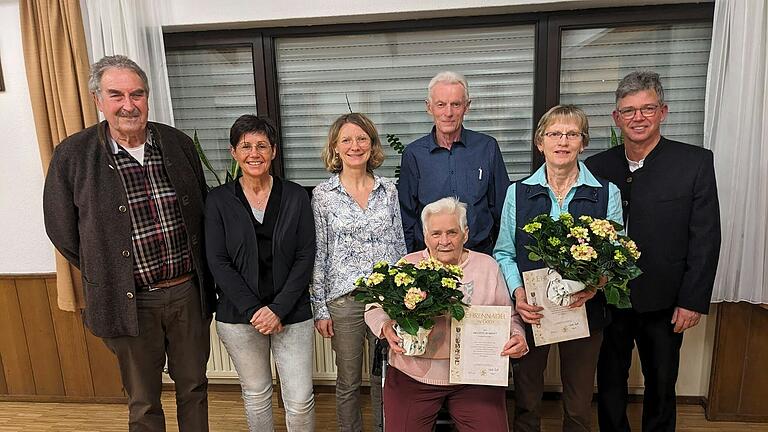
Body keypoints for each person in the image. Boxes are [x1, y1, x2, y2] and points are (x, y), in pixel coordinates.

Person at [43, 55, 214, 431]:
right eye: (116, 94)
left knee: (195, 388)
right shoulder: (73, 155)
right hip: (130, 300)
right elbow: (62, 230)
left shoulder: (178, 144)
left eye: (137, 94)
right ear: (97, 100)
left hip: (187, 294)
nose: (128, 105)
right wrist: (108, 268)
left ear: (147, 97)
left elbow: (201, 210)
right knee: (143, 401)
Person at [585, 71, 721, 432]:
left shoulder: (694, 163)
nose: (638, 118)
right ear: (616, 118)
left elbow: (706, 238)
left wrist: (693, 300)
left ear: (663, 111)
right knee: (609, 381)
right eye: (628, 111)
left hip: (664, 298)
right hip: (607, 298)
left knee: (661, 382)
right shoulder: (597, 167)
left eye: (647, 109)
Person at [494, 104, 623, 432]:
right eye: (554, 134)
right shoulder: (518, 193)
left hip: (585, 310)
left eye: (572, 134)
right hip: (532, 309)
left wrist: (594, 286)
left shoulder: (606, 193)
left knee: (579, 403)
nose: (562, 141)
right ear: (540, 142)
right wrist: (517, 292)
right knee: (526, 398)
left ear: (583, 142)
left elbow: (616, 254)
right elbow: (505, 253)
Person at [366, 197, 528, 432]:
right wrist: (384, 326)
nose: (444, 241)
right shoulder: (407, 265)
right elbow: (373, 306)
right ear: (425, 236)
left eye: (452, 232)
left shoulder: (487, 266)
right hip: (413, 375)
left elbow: (510, 317)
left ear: (466, 233)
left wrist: (518, 335)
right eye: (436, 234)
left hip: (474, 378)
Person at [204, 115, 316, 431]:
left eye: (262, 146)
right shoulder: (218, 200)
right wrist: (256, 310)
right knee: (256, 394)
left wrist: (277, 310)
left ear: (274, 152)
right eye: (246, 146)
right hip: (239, 316)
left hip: (292, 312)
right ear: (234, 152)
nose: (255, 153)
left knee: (300, 399)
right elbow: (218, 261)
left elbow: (305, 255)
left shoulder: (296, 195)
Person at [311, 113, 407, 432]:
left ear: (372, 145)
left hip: (385, 300)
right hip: (344, 302)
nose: (355, 146)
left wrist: (404, 297)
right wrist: (320, 308)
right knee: (348, 381)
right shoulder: (323, 196)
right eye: (347, 140)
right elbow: (320, 253)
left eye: (362, 138)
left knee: (384, 379)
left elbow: (399, 244)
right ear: (336, 148)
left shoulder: (389, 191)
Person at [398, 71, 510, 255]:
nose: (448, 113)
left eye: (456, 104)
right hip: (431, 263)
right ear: (429, 107)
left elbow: (502, 210)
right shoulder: (414, 155)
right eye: (441, 105)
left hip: (480, 256)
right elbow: (407, 217)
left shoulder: (487, 147)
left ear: (467, 106)